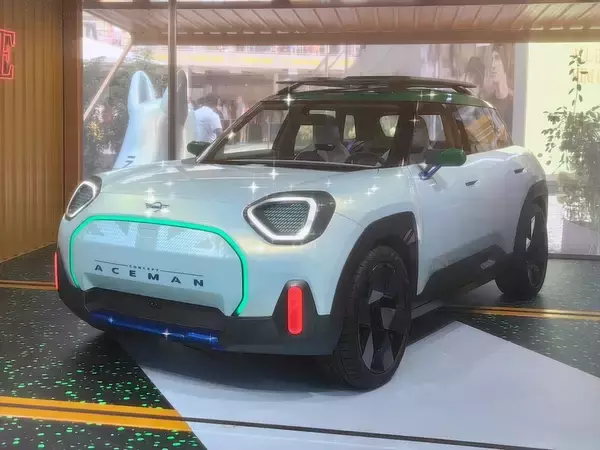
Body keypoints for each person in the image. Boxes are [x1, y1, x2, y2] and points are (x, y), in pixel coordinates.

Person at [487, 43, 513, 133]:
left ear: (506, 62)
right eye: (492, 59)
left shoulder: (514, 104)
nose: (492, 65)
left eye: (497, 58)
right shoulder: (487, 102)